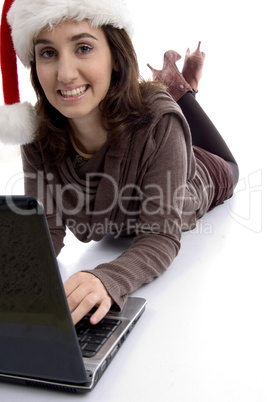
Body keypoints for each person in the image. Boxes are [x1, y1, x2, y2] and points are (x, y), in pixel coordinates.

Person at [0, 0, 238, 326]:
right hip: (156, 159)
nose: (65, 74)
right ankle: (177, 87)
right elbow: (46, 232)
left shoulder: (157, 122)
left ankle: (181, 89)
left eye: (83, 48)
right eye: (48, 53)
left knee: (227, 163)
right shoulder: (37, 134)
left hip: (203, 172)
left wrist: (107, 278)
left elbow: (159, 236)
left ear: (115, 55)